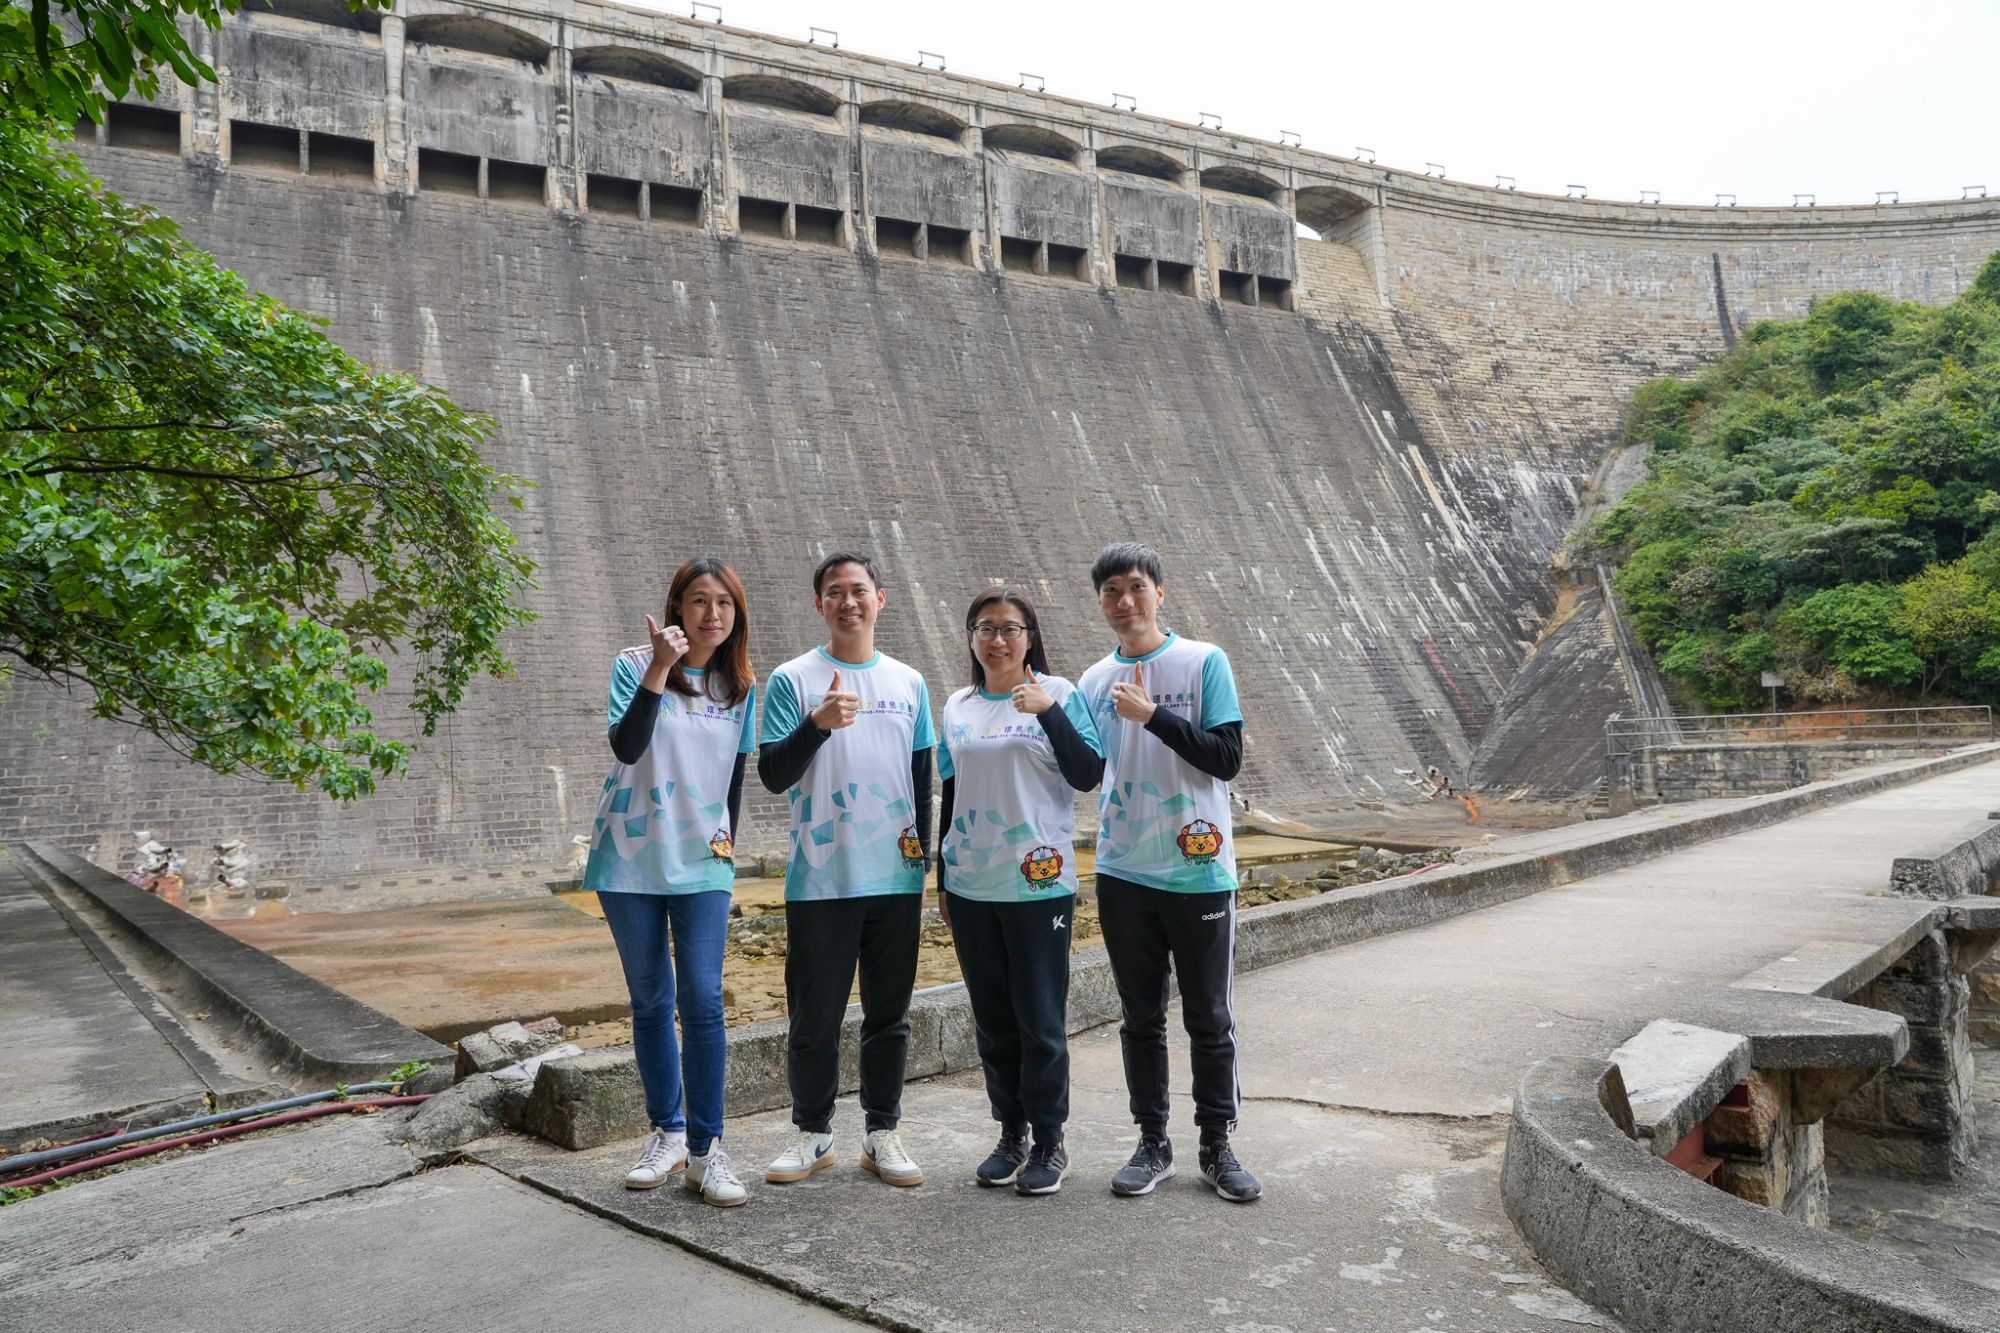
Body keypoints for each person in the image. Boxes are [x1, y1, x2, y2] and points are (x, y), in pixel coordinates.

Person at [1078, 541, 1263, 1203]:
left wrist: (1154, 715)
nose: (1125, 601)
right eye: (1111, 592)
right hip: (1125, 868)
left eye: (1135, 587)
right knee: (1139, 1014)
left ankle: (1217, 1144)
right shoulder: (1093, 680)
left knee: (1210, 1015)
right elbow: (1080, 767)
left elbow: (1226, 757)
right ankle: (1152, 1141)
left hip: (1200, 868)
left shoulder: (1203, 661)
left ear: (1160, 590)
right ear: (1100, 603)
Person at [757, 553, 935, 1188]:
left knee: (890, 1015)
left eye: (859, 591)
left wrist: (925, 866)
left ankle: (882, 1133)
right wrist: (817, 725)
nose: (848, 602)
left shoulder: (910, 682)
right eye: (836, 593)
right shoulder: (791, 679)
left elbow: (921, 781)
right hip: (821, 877)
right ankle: (812, 1133)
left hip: (895, 877)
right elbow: (773, 775)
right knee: (815, 1017)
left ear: (880, 599)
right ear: (819, 605)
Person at [582, 557, 756, 1207]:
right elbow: (627, 747)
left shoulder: (740, 685)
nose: (712, 613)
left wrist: (727, 850)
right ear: (678, 606)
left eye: (724, 604)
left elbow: (734, 780)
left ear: (735, 616)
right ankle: (668, 1132)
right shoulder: (634, 664)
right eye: (700, 601)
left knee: (704, 999)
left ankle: (708, 1150)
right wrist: (659, 666)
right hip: (628, 856)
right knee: (652, 1000)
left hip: (703, 861)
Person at [937, 586, 1104, 1195]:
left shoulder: (1060, 695)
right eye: (985, 628)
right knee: (994, 1020)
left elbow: (1088, 773)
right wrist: (943, 880)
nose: (997, 639)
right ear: (972, 638)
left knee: (1039, 1018)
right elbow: (950, 799)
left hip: (1039, 882)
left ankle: (1050, 1141)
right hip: (973, 881)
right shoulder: (956, 706)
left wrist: (1047, 713)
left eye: (1010, 628)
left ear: (1030, 636)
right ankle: (1010, 1132)